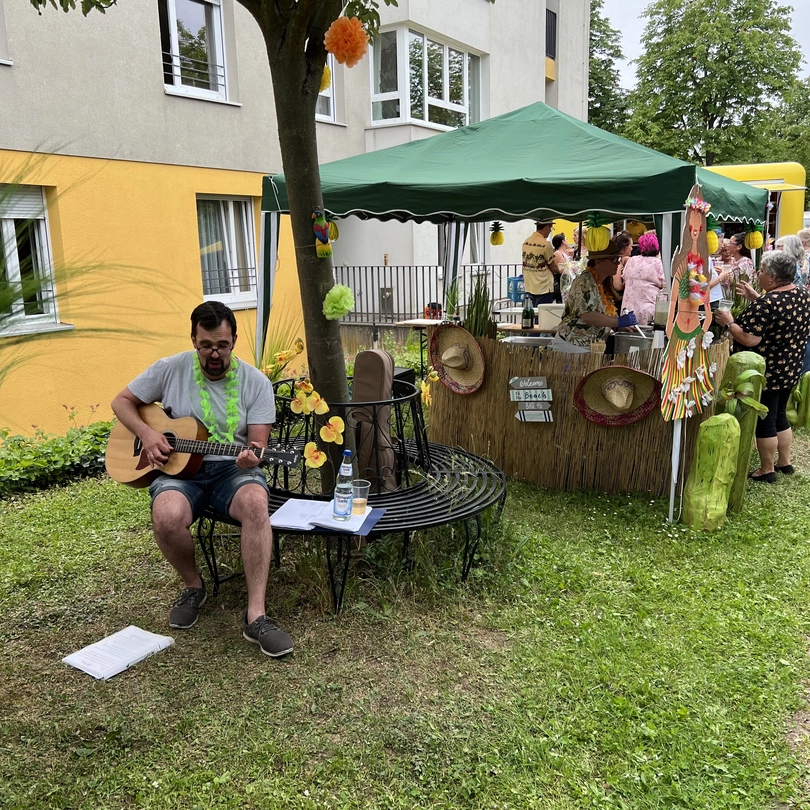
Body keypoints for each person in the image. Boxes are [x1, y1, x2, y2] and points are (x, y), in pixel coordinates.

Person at [111, 301, 294, 658]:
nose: (214, 353)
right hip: (180, 474)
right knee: (166, 515)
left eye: (222, 345)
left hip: (233, 470)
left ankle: (256, 615)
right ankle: (194, 586)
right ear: (193, 339)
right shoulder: (170, 368)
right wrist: (148, 435)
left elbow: (258, 444)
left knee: (257, 504)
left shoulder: (255, 382)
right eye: (206, 344)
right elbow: (121, 402)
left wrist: (250, 456)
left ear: (234, 341)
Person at [715, 251, 810, 482]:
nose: (759, 273)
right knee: (779, 416)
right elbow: (780, 314)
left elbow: (749, 339)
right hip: (790, 367)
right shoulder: (801, 295)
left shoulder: (768, 303)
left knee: (765, 419)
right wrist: (757, 297)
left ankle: (766, 469)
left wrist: (729, 323)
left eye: (762, 271)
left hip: (767, 371)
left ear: (772, 277)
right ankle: (784, 462)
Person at [552, 239, 637, 352]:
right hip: (573, 346)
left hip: (589, 346)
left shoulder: (603, 283)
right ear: (598, 261)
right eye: (614, 259)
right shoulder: (585, 281)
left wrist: (619, 326)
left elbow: (602, 314)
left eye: (619, 259)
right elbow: (587, 315)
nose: (617, 263)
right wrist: (617, 321)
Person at [621, 231, 665, 325]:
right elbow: (666, 286)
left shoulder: (632, 260)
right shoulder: (659, 264)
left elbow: (624, 279)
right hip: (649, 314)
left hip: (627, 312)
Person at [522, 220, 559, 305]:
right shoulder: (545, 244)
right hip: (544, 287)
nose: (550, 231)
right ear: (546, 227)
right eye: (551, 228)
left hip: (530, 285)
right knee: (542, 316)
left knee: (531, 315)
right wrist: (562, 270)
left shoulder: (526, 242)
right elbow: (553, 267)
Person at [605, 231, 633, 307]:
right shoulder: (617, 261)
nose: (632, 248)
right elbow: (618, 286)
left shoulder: (613, 259)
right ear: (624, 247)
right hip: (616, 301)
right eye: (631, 246)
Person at [552, 233, 570, 303]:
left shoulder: (566, 252)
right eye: (566, 240)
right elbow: (563, 267)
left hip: (566, 279)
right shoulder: (558, 253)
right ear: (563, 242)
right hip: (561, 279)